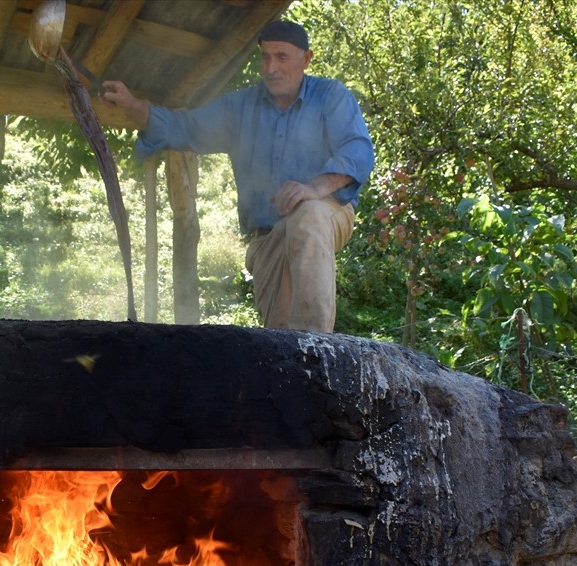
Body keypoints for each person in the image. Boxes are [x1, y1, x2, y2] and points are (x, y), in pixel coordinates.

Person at [102, 20, 374, 333]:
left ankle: (320, 347)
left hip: (327, 213)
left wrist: (315, 188)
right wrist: (133, 106)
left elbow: (358, 152)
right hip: (268, 238)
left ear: (306, 59)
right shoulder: (240, 107)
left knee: (308, 216)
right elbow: (185, 127)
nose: (271, 67)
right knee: (280, 339)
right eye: (265, 57)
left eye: (282, 57)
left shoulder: (331, 96)